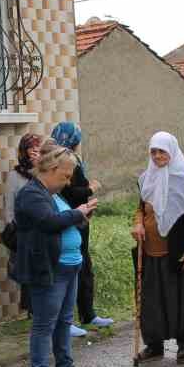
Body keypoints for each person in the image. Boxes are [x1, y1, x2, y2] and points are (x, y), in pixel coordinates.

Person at [11, 145, 97, 367]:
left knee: (64, 321)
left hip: (69, 266)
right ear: (50, 168)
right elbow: (50, 222)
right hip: (49, 268)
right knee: (44, 324)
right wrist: (78, 213)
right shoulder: (31, 194)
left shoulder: (52, 194)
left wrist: (81, 216)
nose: (68, 182)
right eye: (65, 176)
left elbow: (64, 221)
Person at [132, 132, 184, 363]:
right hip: (151, 252)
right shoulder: (146, 179)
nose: (157, 156)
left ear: (172, 151)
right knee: (152, 302)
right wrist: (138, 224)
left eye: (161, 151)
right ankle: (154, 345)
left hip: (179, 251)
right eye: (153, 152)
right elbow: (140, 209)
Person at [51, 122, 114, 338]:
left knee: (84, 266)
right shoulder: (62, 163)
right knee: (70, 271)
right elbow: (70, 192)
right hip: (68, 219)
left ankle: (88, 314)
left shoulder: (73, 160)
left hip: (80, 218)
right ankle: (66, 321)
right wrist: (90, 189)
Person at [2, 133, 45, 315]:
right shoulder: (15, 176)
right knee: (29, 271)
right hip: (24, 230)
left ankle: (42, 308)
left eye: (38, 148)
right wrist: (13, 229)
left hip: (44, 226)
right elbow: (9, 206)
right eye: (31, 148)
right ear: (23, 151)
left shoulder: (44, 173)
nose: (35, 151)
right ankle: (32, 310)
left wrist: (39, 167)